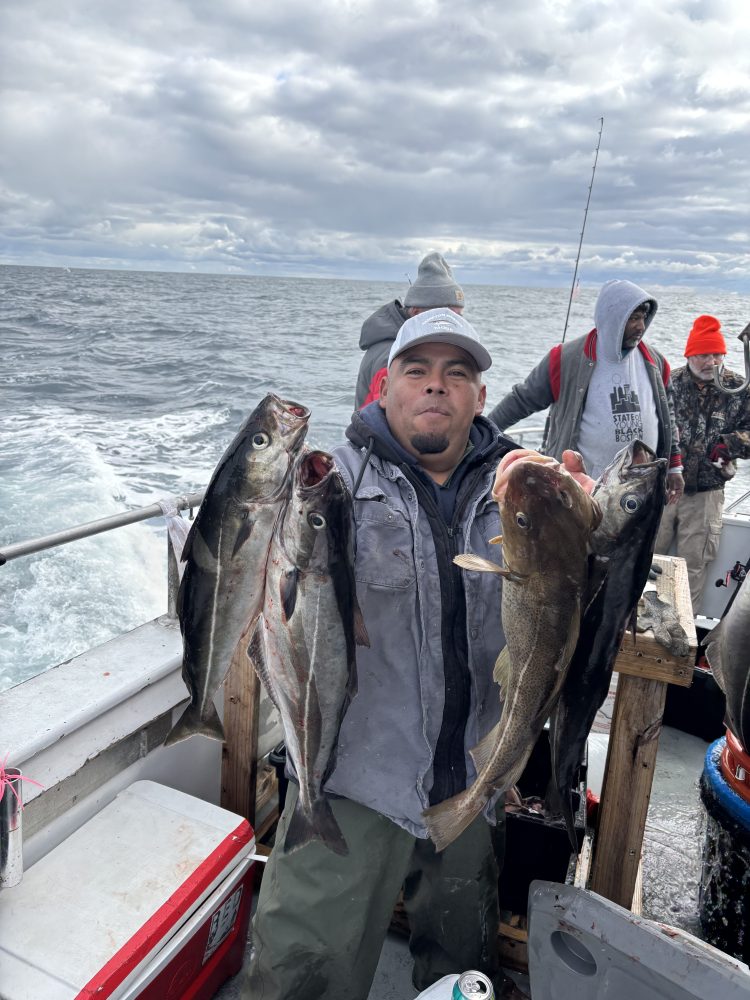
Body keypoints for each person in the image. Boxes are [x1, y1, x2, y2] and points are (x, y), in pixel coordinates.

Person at [245, 309, 583, 999]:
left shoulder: (521, 487)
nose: (437, 387)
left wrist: (583, 512)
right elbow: (247, 550)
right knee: (298, 978)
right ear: (384, 387)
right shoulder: (326, 483)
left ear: (480, 398)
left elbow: (575, 594)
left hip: (471, 780)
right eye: (417, 371)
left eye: (457, 374)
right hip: (351, 785)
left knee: (463, 975)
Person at [487, 278, 685, 500]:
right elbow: (521, 400)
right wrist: (482, 434)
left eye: (643, 318)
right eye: (633, 318)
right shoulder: (565, 360)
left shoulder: (655, 361)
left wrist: (674, 466)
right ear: (612, 319)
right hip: (579, 495)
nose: (641, 326)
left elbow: (669, 417)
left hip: (639, 495)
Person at [653, 315, 750, 612]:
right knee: (647, 558)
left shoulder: (740, 388)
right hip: (663, 489)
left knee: (692, 566)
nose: (711, 361)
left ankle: (684, 633)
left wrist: (731, 444)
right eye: (703, 354)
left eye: (716, 354)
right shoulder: (668, 382)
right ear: (689, 355)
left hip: (707, 495)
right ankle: (635, 630)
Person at [354, 252, 465, 409]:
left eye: (459, 317)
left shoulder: (409, 343)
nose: (455, 326)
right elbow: (391, 419)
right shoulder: (393, 355)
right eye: (445, 317)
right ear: (416, 313)